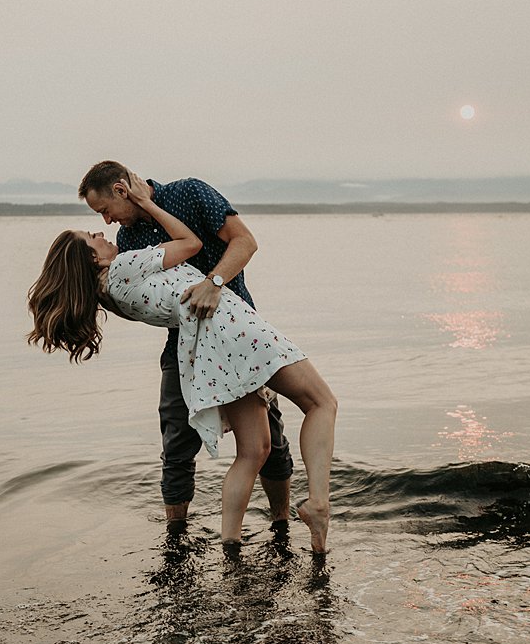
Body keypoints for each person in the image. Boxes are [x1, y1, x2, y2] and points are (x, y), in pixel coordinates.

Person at [28, 181, 337, 551]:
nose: (102, 228)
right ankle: (317, 503)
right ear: (94, 259)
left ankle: (230, 546)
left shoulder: (108, 294)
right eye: (93, 234)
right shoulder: (124, 263)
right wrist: (148, 204)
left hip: (209, 348)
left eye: (100, 217)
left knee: (254, 452)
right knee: (322, 403)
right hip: (234, 327)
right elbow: (191, 244)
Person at [78, 161, 295, 526]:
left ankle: (281, 524)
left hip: (237, 336)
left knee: (269, 442)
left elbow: (245, 241)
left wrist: (216, 282)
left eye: (105, 211)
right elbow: (149, 302)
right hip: (184, 347)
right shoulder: (129, 243)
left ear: (120, 190)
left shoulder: (189, 193)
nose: (107, 222)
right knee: (176, 443)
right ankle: (176, 538)